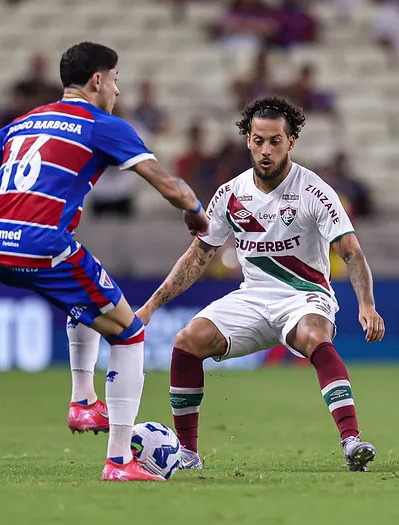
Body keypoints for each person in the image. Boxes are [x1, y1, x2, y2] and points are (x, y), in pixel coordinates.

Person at [0, 42, 209, 482]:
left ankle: (84, 402)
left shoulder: (20, 124)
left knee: (86, 299)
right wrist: (198, 215)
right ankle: (120, 462)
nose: (117, 91)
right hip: (43, 246)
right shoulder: (102, 125)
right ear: (98, 81)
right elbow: (172, 188)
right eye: (115, 80)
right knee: (130, 333)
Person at [135, 95, 385, 472]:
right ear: (247, 141)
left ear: (291, 142)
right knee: (187, 341)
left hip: (305, 297)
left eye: (275, 141)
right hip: (252, 299)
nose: (265, 150)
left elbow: (351, 252)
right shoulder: (230, 195)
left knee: (316, 337)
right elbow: (196, 257)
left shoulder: (315, 191)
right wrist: (151, 306)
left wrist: (366, 304)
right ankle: (188, 454)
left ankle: (351, 442)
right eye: (258, 140)